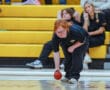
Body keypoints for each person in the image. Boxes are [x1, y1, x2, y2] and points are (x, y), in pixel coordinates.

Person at [52, 19, 89, 84]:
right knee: (67, 57)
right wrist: (57, 68)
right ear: (55, 31)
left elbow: (83, 40)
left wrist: (73, 47)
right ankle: (68, 75)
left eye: (62, 31)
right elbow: (56, 52)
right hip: (66, 42)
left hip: (82, 41)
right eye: (58, 32)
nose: (61, 34)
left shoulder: (74, 31)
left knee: (76, 55)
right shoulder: (55, 37)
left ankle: (75, 77)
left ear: (67, 29)